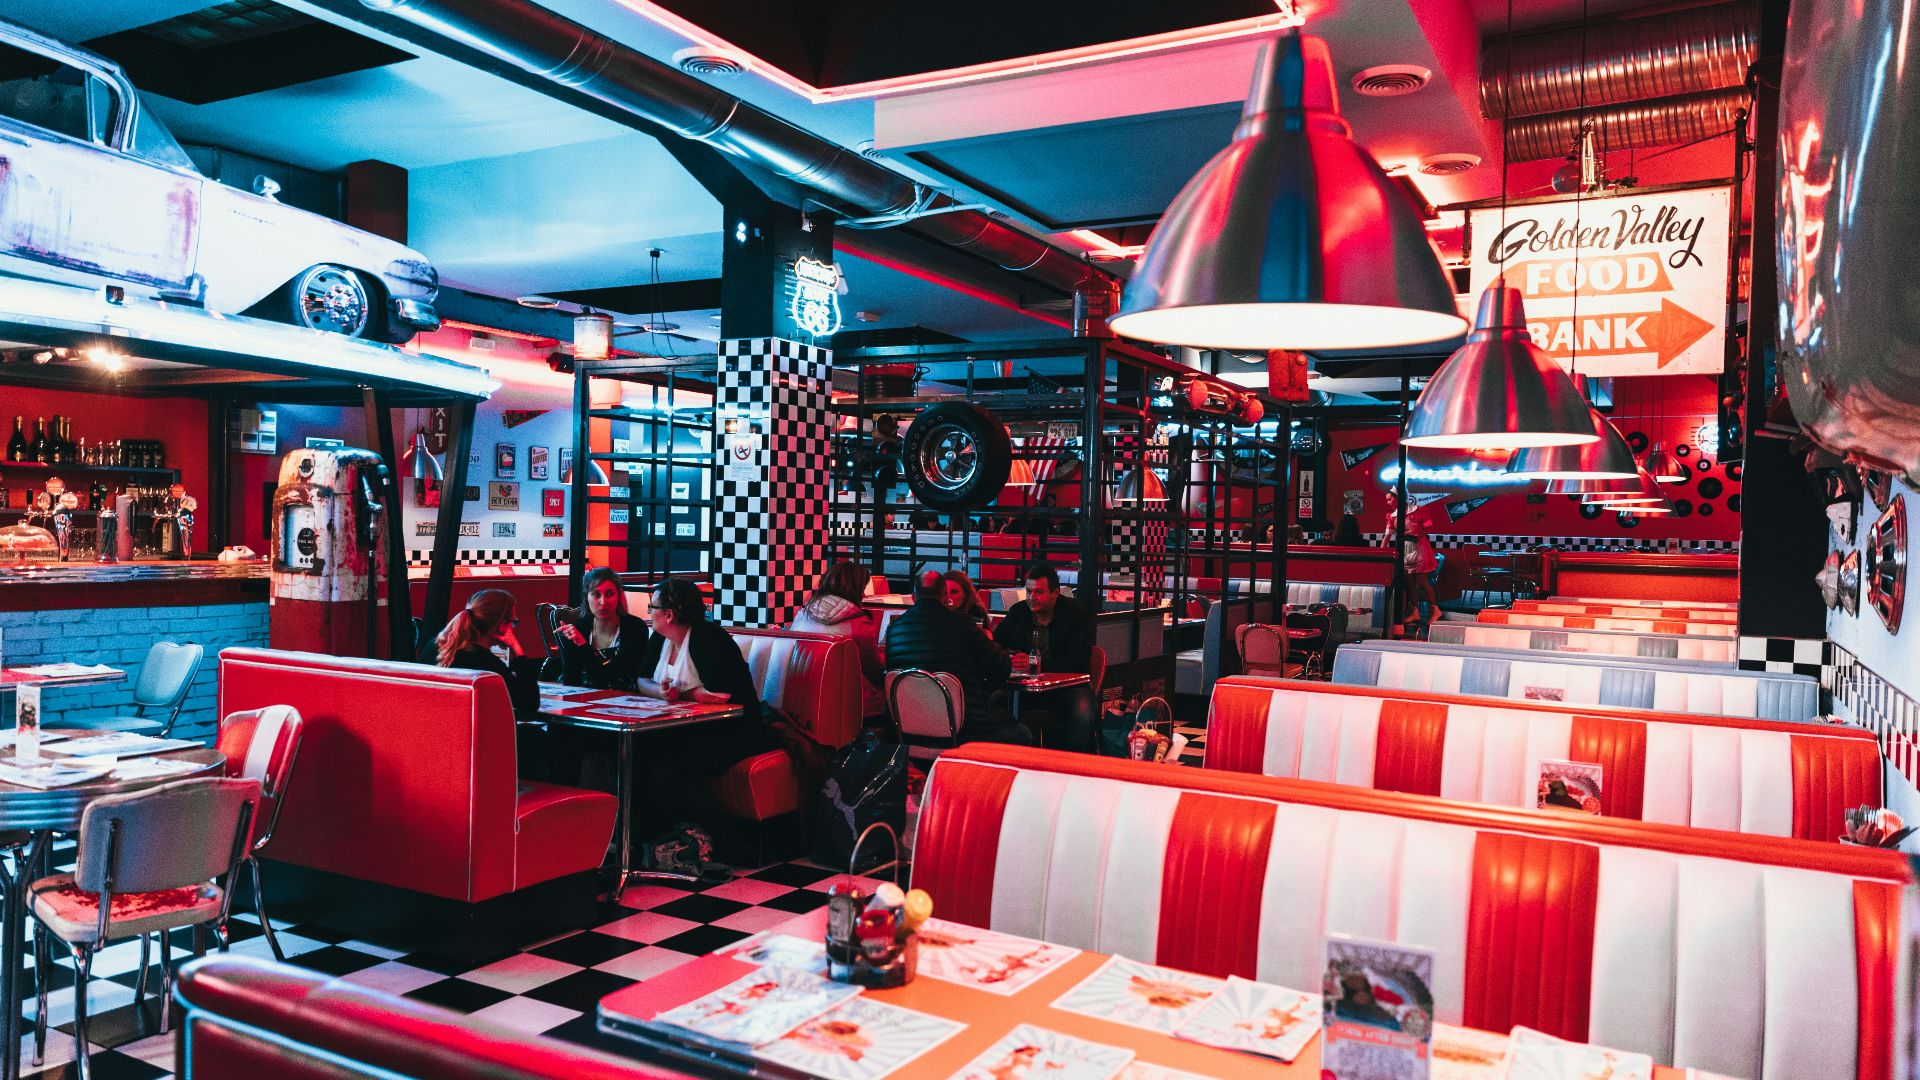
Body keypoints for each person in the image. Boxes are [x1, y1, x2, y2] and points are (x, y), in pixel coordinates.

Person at [884, 570, 1030, 745]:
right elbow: (1001, 668)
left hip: (908, 732)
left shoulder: (894, 631)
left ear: (914, 597)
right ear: (945, 596)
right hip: (965, 728)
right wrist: (980, 689)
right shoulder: (963, 624)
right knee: (1023, 735)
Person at [993, 563, 1097, 752]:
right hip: (1023, 689)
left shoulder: (1076, 616)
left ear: (1056, 593)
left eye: (1039, 592)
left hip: (1067, 688)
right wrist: (1008, 658)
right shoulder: (1019, 612)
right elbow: (995, 644)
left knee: (1081, 713)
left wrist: (1037, 664)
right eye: (1029, 591)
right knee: (987, 703)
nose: (1032, 597)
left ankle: (1072, 768)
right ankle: (1007, 760)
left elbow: (1079, 662)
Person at [790, 561, 887, 723]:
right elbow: (874, 670)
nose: (863, 595)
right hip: (849, 704)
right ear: (856, 589)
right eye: (862, 589)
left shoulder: (802, 614)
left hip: (802, 700)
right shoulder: (857, 622)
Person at [436, 589, 540, 714]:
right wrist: (518, 651)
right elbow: (529, 703)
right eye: (513, 622)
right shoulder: (487, 664)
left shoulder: (437, 646)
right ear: (502, 626)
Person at [556, 566, 651, 689]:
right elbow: (570, 682)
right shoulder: (578, 629)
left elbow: (607, 679)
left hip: (625, 701)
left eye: (609, 594)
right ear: (587, 597)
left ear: (618, 596)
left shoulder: (635, 628)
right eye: (596, 594)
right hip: (583, 701)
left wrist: (582, 645)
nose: (603, 602)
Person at [1384, 490, 1439, 633]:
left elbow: (1429, 526)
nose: (1388, 503)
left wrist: (1417, 535)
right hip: (1405, 551)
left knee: (1422, 580)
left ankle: (1435, 609)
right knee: (1410, 583)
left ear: (1398, 498)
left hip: (1419, 548)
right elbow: (1387, 537)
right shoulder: (1393, 516)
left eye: (1390, 499)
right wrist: (1381, 554)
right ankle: (1415, 612)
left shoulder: (1418, 511)